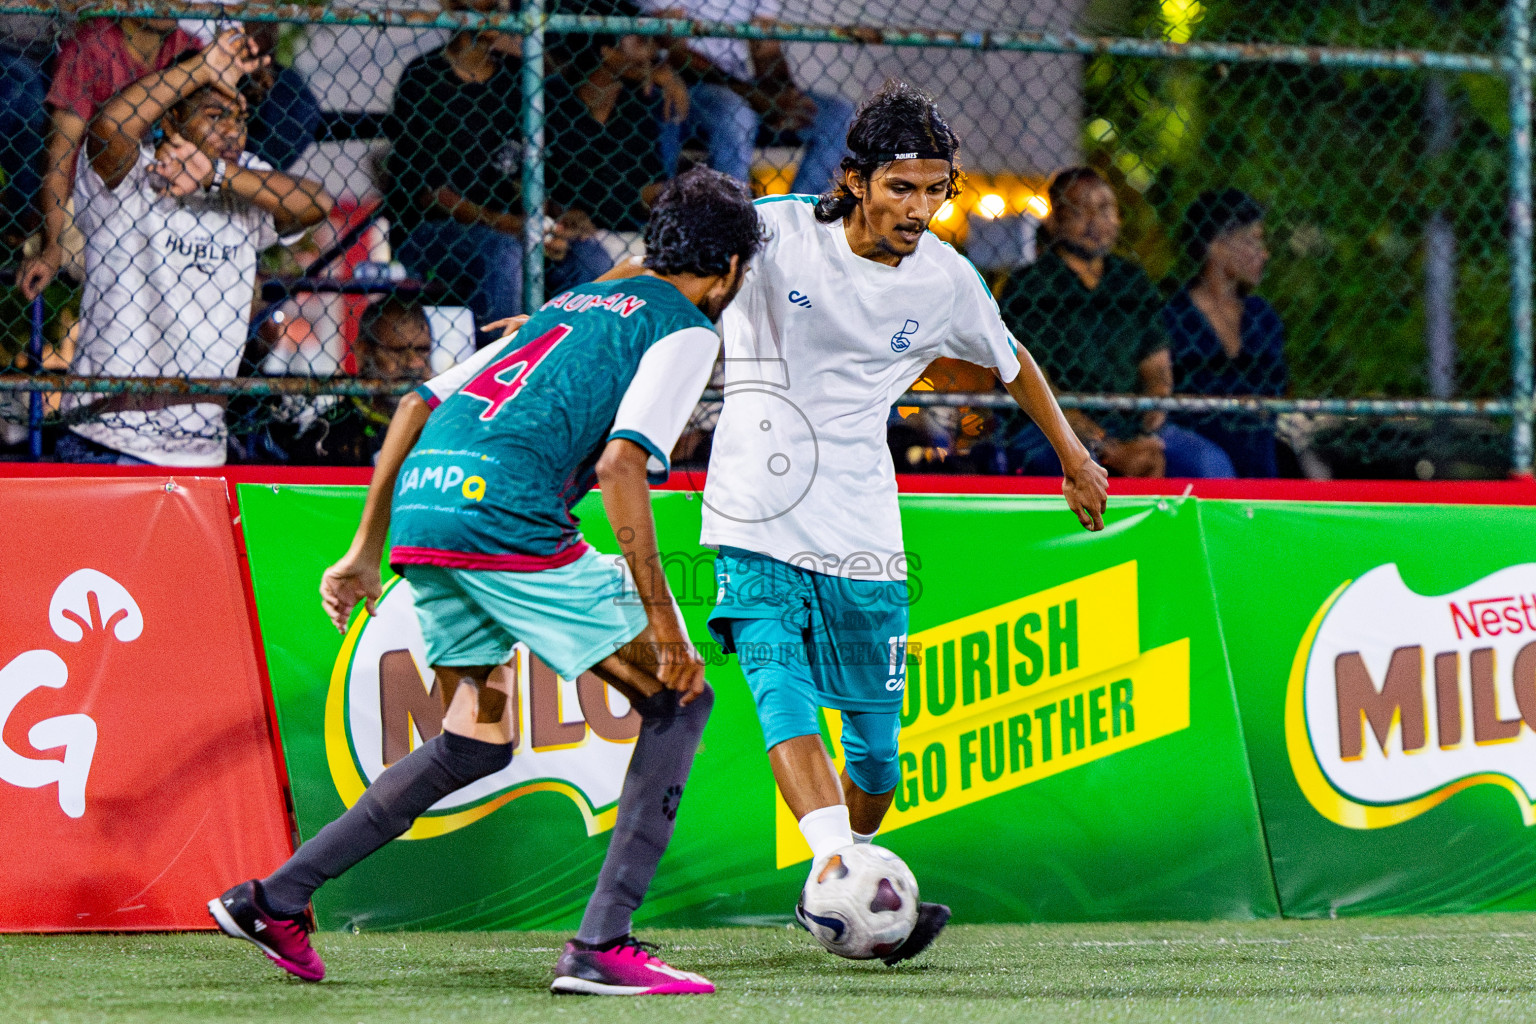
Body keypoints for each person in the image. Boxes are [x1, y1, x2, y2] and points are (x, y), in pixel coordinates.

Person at [208, 167, 764, 997]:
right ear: (727, 272)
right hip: (504, 513)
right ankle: (602, 945)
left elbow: (412, 408)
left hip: (426, 511)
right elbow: (620, 469)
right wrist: (669, 631)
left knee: (476, 738)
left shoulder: (561, 310)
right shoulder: (686, 327)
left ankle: (276, 898)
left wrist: (365, 550)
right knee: (680, 697)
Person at [698, 82, 1107, 962]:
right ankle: (842, 875)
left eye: (935, 190)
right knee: (777, 683)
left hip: (861, 524)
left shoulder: (946, 279)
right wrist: (562, 327)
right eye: (901, 189)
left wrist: (1071, 455)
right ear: (853, 180)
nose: (919, 209)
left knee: (878, 759)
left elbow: (1012, 363)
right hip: (752, 508)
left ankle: (835, 876)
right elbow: (667, 270)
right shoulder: (772, 232)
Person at [55, 30, 332, 466]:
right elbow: (109, 125)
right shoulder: (133, 173)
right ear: (173, 117)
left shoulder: (242, 180)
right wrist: (202, 67)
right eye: (215, 114)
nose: (231, 130)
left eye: (239, 118)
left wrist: (215, 175)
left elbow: (318, 203)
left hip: (199, 446)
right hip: (108, 437)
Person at [994, 166, 1235, 478]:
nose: (1097, 221)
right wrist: (1105, 446)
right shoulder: (1029, 287)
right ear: (1055, 221)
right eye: (1081, 210)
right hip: (1049, 427)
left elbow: (1157, 372)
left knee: (1209, 465)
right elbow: (1037, 386)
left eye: (1106, 209)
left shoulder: (1131, 281)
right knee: (1080, 467)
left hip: (1130, 424)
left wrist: (1147, 430)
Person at [16, 16, 203, 301]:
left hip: (164, 198)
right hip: (91, 201)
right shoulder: (90, 46)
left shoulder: (188, 48)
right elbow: (60, 152)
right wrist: (53, 244)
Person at [642, 0, 853, 195]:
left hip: (744, 88)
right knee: (737, 112)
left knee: (840, 116)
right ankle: (733, 223)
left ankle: (799, 217)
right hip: (683, 86)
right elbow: (674, 49)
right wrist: (753, 95)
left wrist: (783, 93)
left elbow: (766, 49)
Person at [1162, 189, 1288, 478]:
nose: (1264, 252)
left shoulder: (1262, 316)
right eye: (1253, 240)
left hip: (1259, 450)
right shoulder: (1173, 317)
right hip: (1199, 456)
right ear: (1217, 245)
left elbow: (1276, 393)